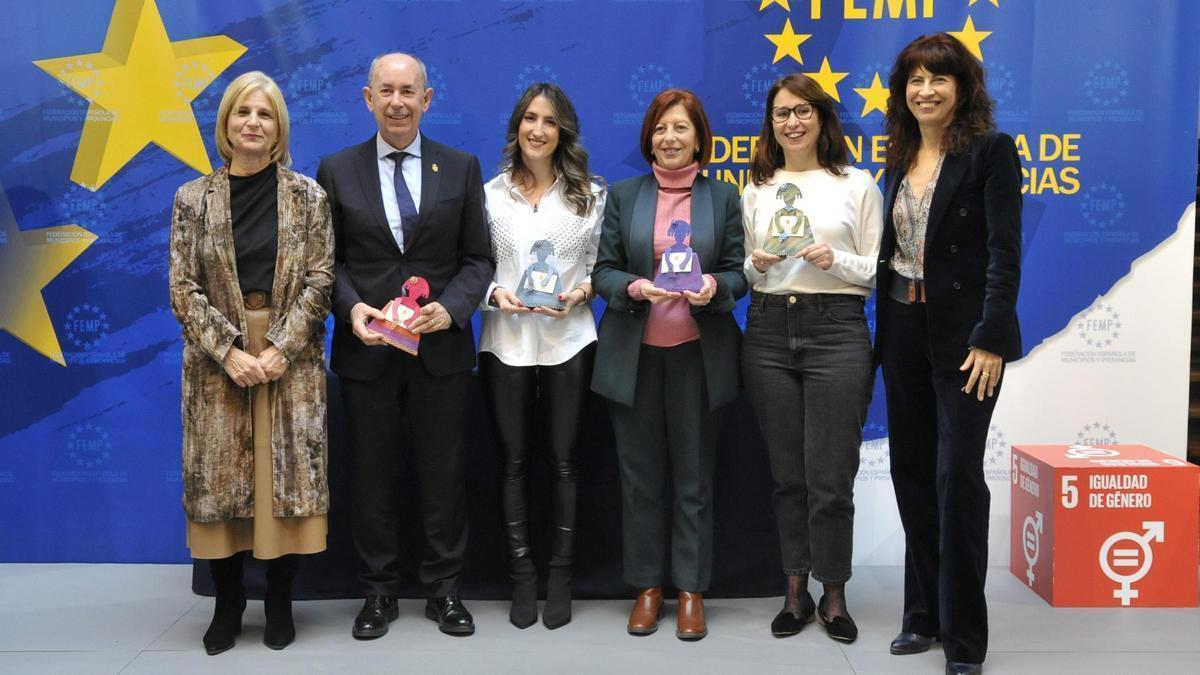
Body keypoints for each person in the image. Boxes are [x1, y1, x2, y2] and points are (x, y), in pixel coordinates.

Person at [315, 52, 493, 639]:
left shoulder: (461, 167)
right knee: (371, 477)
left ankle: (444, 592)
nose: (397, 101)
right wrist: (353, 308)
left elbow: (478, 259)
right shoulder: (336, 170)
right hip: (367, 352)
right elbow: (328, 262)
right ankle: (378, 593)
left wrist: (453, 309)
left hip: (441, 352)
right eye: (385, 91)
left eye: (408, 91)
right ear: (367, 99)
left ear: (427, 98)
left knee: (444, 475)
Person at [167, 71, 334, 655]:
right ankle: (229, 604)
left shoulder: (308, 196)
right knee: (223, 487)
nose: (253, 124)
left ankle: (281, 603)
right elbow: (183, 289)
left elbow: (320, 279)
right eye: (242, 113)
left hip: (289, 357)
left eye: (264, 114)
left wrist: (280, 349)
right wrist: (231, 352)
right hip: (220, 362)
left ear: (279, 126)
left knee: (280, 486)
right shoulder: (193, 199)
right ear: (226, 124)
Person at [877, 33, 1022, 675]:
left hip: (966, 338)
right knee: (910, 471)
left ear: (961, 87)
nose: (925, 90)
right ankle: (922, 616)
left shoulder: (991, 151)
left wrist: (992, 335)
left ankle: (965, 640)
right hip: (903, 329)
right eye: (914, 79)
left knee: (957, 477)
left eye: (938, 78)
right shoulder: (899, 155)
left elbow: (1003, 252)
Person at [591, 88, 747, 642]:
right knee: (639, 480)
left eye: (681, 128)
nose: (670, 138)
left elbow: (738, 271)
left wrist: (713, 285)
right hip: (633, 357)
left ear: (699, 137)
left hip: (698, 358)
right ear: (649, 137)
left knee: (694, 477)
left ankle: (690, 589)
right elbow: (604, 270)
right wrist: (633, 286)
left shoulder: (723, 197)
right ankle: (647, 587)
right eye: (661, 128)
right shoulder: (626, 195)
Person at [741, 73, 883, 645]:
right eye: (781, 113)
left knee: (831, 476)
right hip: (769, 330)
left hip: (837, 333)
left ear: (823, 118)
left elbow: (879, 271)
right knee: (786, 477)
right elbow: (743, 274)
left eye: (802, 111)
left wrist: (836, 261)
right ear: (770, 123)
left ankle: (835, 593)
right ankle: (795, 591)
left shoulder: (857, 184)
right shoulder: (754, 188)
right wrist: (758, 264)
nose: (792, 122)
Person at [479, 82, 604, 630]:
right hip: (504, 340)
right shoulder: (487, 195)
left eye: (549, 122)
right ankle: (522, 574)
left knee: (566, 460)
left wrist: (580, 293)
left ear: (563, 133)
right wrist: (494, 295)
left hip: (568, 339)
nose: (538, 129)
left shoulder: (591, 197)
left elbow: (602, 266)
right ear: (517, 127)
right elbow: (472, 266)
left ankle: (560, 574)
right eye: (530, 118)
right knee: (511, 462)